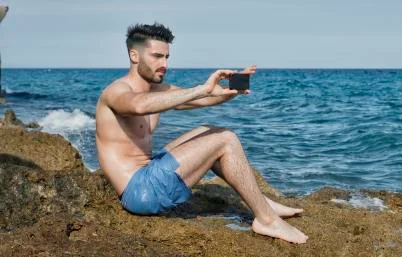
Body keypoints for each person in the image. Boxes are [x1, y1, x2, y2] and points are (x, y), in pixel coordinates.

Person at [95, 23, 308, 244]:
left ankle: (261, 202)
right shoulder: (116, 92)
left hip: (148, 173)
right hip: (140, 191)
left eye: (167, 57)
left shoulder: (157, 89)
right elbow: (138, 105)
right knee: (225, 140)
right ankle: (266, 220)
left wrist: (234, 87)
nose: (164, 64)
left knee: (207, 131)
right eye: (157, 56)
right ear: (134, 55)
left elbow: (202, 98)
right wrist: (201, 89)